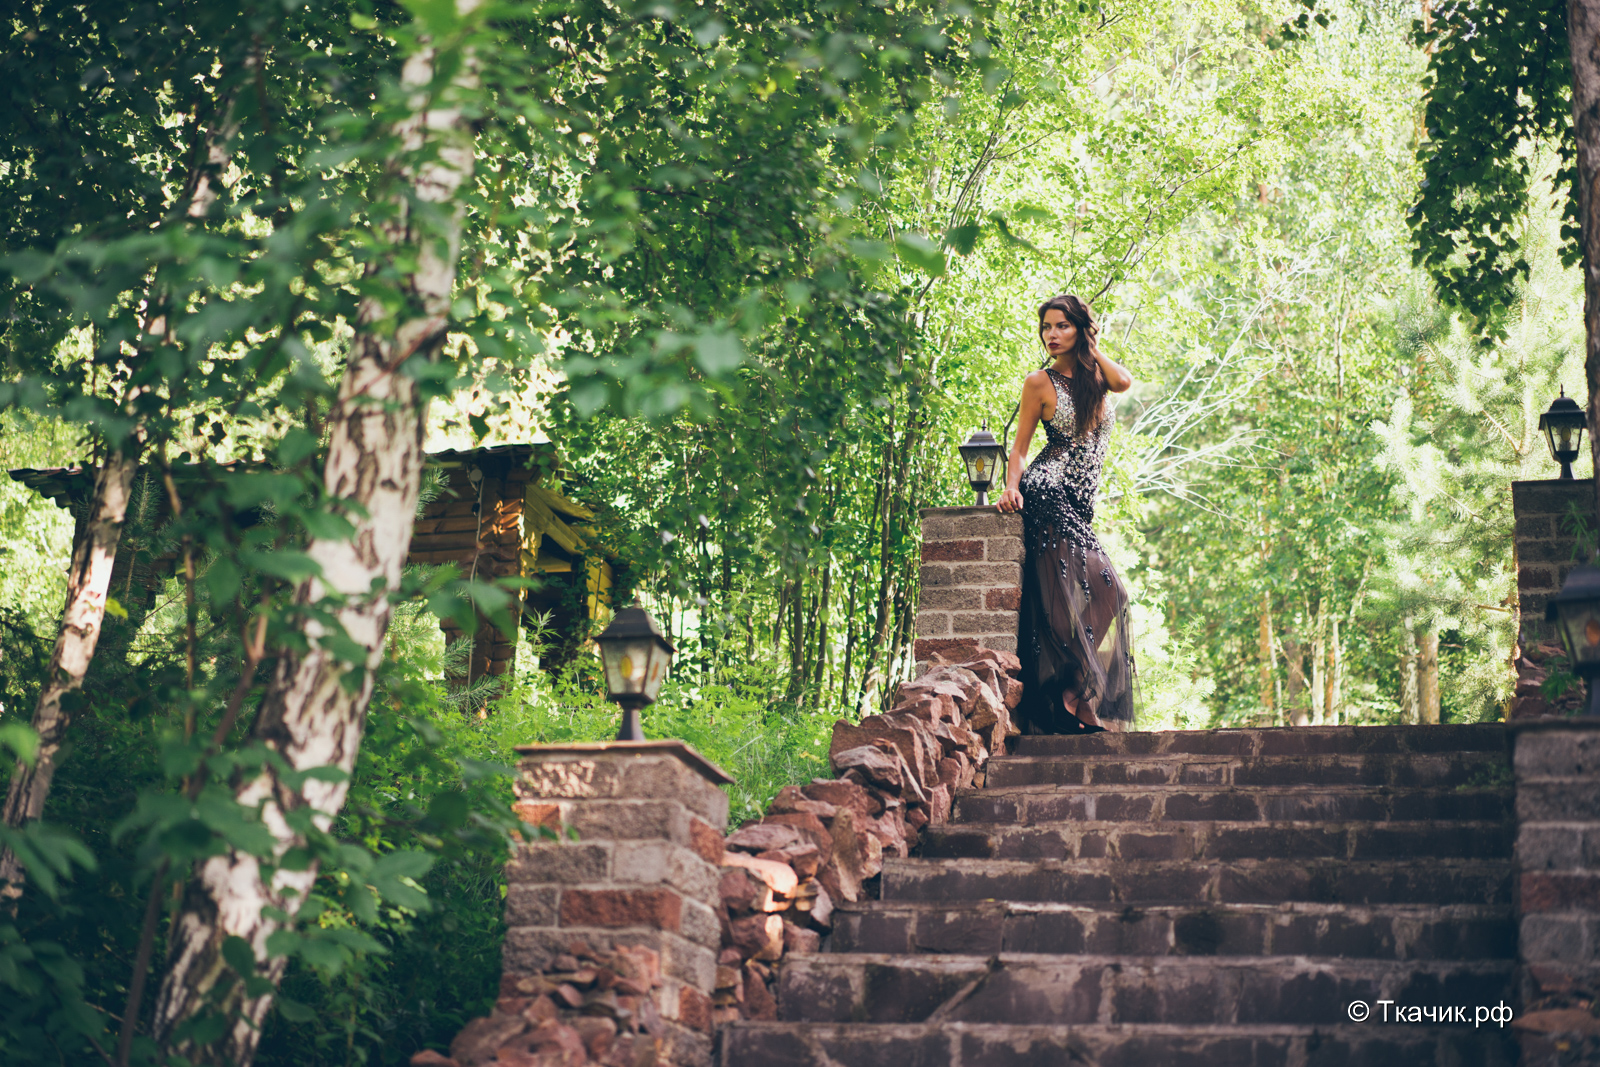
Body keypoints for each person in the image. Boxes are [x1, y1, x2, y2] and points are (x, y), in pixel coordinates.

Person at [995, 294, 1137, 733]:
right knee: (1102, 590)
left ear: (1080, 329)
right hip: (1047, 490)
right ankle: (1071, 691)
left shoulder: (1097, 378)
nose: (1051, 335)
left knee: (1089, 598)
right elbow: (1020, 449)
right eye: (1046, 327)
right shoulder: (1039, 382)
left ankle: (1069, 692)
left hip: (1080, 502)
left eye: (1062, 326)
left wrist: (1093, 347)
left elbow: (1124, 381)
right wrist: (1011, 486)